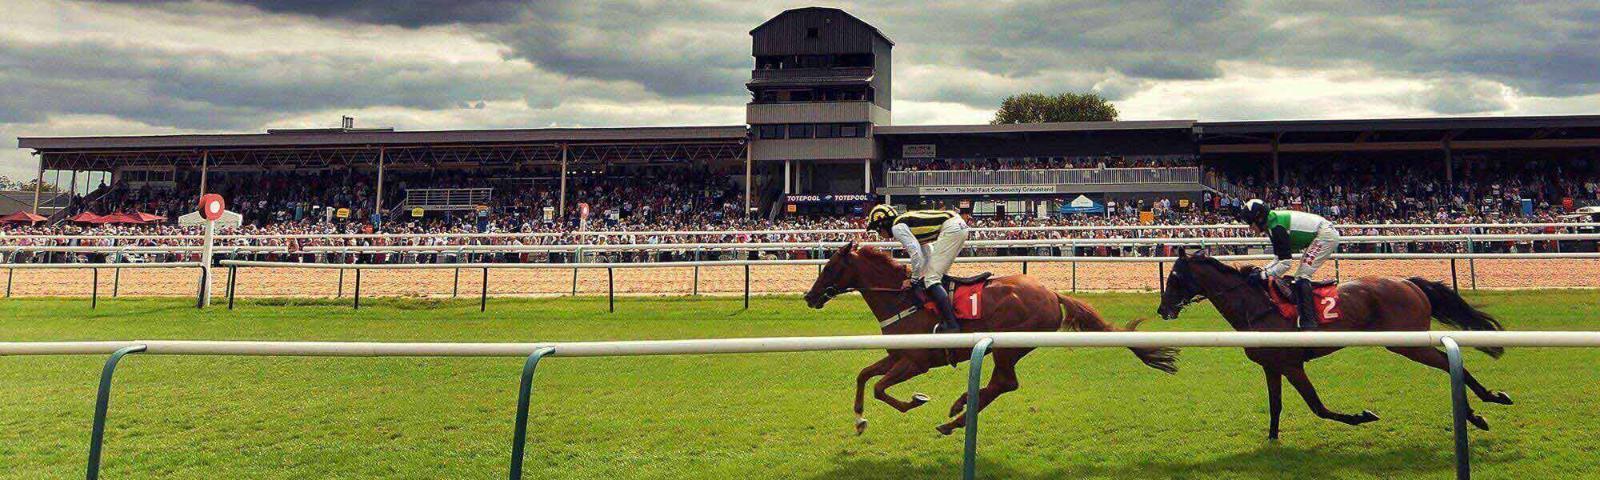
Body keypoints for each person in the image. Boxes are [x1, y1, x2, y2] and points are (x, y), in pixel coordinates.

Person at [1237, 199, 1341, 330]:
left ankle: (1308, 322)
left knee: (1302, 276)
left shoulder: (1277, 227)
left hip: (1324, 235)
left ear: (1259, 219)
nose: (1250, 227)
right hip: (1322, 232)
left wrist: (1263, 275)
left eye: (1250, 223)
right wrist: (1263, 270)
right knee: (1300, 276)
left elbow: (1286, 264)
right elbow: (1278, 259)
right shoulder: (1272, 224)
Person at [865, 204, 970, 333]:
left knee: (931, 279)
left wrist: (914, 280)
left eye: (877, 230)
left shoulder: (897, 228)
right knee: (933, 277)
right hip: (957, 225)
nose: (879, 234)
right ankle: (944, 318)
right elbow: (926, 251)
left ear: (882, 224)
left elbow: (916, 254)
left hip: (953, 227)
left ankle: (952, 325)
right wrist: (921, 276)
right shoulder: (904, 224)